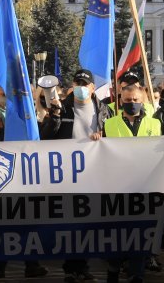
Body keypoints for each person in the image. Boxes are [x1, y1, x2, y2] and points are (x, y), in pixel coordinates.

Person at [42, 70, 109, 282]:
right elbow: (47, 136)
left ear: (92, 88)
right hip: (67, 173)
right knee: (71, 223)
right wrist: (54, 116)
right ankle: (71, 267)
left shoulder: (103, 110)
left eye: (85, 83)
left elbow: (111, 136)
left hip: (93, 172)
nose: (81, 86)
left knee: (87, 223)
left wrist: (102, 137)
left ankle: (82, 265)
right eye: (77, 82)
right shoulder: (63, 106)